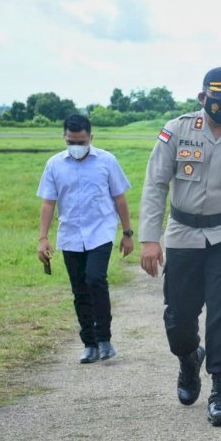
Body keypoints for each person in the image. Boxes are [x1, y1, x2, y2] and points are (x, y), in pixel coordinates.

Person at [139, 66, 221, 427]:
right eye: (218, 96)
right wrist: (150, 239)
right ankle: (188, 359)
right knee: (179, 317)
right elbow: (155, 185)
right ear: (203, 97)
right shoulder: (177, 130)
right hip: (182, 233)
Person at [37, 114, 133, 364]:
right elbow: (49, 202)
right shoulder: (54, 164)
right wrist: (43, 238)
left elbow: (120, 198)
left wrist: (127, 233)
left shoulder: (107, 161)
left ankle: (104, 339)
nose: (76, 147)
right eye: (71, 142)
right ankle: (89, 343)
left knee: (96, 279)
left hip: (100, 231)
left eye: (81, 142)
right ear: (64, 138)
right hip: (70, 235)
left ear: (91, 137)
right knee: (79, 289)